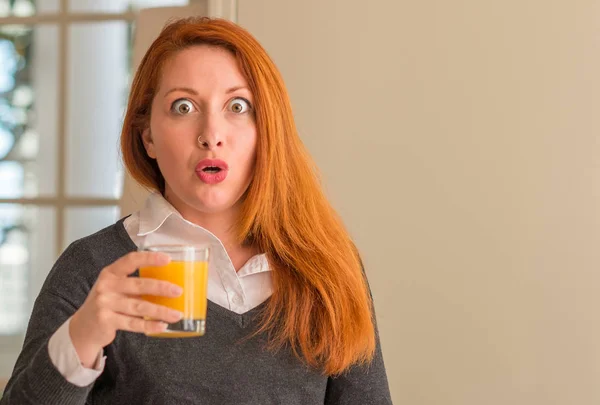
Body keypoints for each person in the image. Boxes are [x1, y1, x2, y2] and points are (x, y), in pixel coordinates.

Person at [0, 17, 392, 404]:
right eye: (183, 106)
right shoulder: (92, 268)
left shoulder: (328, 267)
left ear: (267, 129)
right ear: (148, 136)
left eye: (237, 106)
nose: (211, 135)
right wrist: (83, 336)